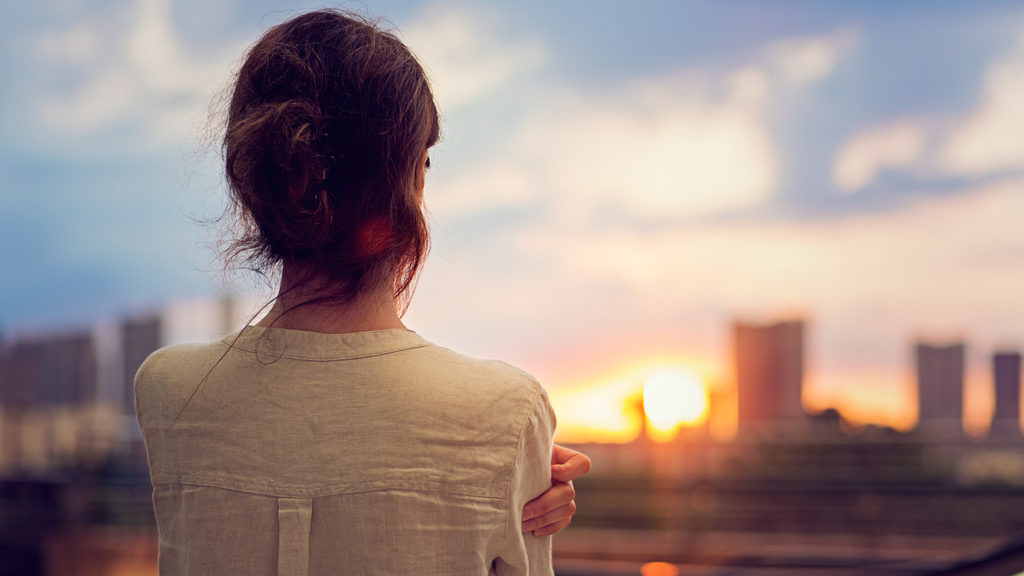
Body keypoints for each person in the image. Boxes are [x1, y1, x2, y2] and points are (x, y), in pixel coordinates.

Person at [134, 8, 588, 575]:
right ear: (412, 180)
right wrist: (506, 462)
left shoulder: (169, 392)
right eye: (424, 159)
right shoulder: (509, 410)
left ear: (261, 181)